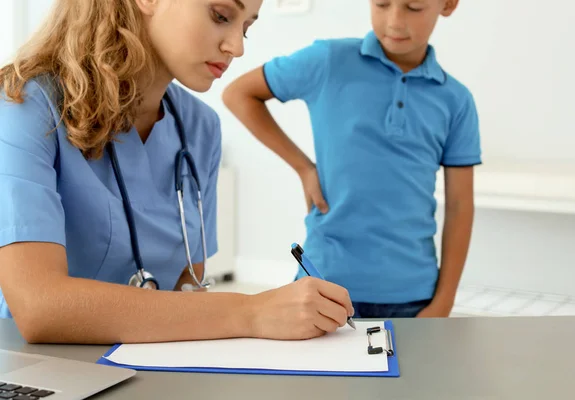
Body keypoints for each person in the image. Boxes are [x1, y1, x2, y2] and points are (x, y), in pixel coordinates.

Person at [0, 0, 354, 345]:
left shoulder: (201, 127)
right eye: (221, 15)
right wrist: (250, 311)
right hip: (43, 368)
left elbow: (187, 279)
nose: (236, 47)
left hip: (148, 364)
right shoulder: (23, 104)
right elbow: (38, 305)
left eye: (246, 28)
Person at [222, 0, 481, 318]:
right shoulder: (328, 61)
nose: (395, 21)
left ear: (448, 4)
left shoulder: (456, 100)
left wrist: (444, 302)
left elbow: (459, 207)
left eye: (413, 7)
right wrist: (303, 166)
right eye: (381, 4)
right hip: (322, 285)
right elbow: (238, 94)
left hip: (414, 297)